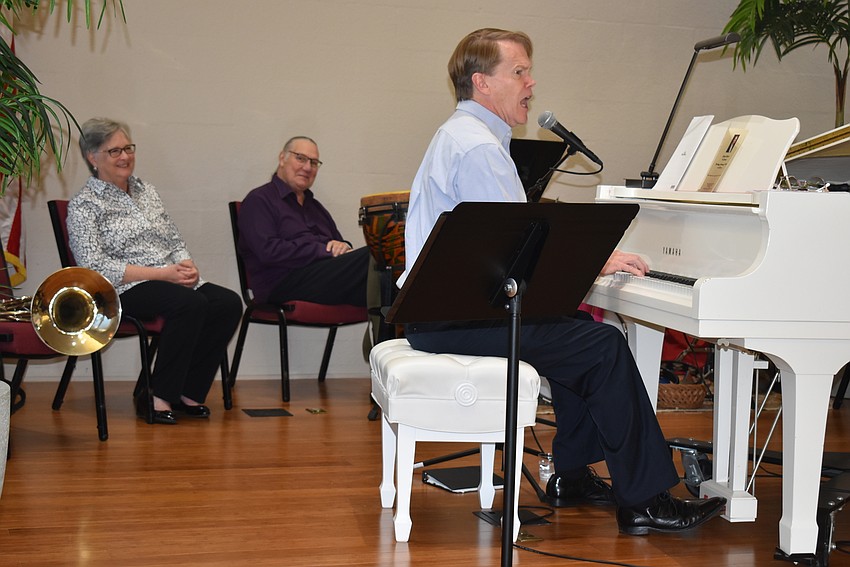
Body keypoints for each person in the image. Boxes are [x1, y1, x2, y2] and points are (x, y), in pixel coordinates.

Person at [401, 28, 726, 536]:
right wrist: (595, 260)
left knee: (576, 331)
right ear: (482, 83)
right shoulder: (479, 150)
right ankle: (644, 499)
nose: (531, 83)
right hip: (453, 316)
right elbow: (515, 254)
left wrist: (588, 261)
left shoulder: (465, 137)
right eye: (519, 72)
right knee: (603, 345)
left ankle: (572, 475)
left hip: (442, 310)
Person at [68, 118, 243, 425]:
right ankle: (158, 395)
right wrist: (162, 274)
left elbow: (172, 238)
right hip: (124, 288)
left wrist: (186, 266)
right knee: (189, 304)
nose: (125, 157)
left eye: (128, 148)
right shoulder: (84, 205)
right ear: (92, 158)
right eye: (114, 151)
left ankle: (190, 391)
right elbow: (93, 267)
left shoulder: (145, 190)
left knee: (227, 303)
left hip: (169, 279)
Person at [238, 137, 369, 307]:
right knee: (375, 257)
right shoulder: (260, 200)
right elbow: (269, 251)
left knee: (386, 273)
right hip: (282, 283)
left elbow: (338, 244)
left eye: (314, 163)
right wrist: (322, 250)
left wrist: (342, 246)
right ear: (282, 158)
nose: (307, 168)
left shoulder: (315, 207)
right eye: (300, 158)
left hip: (324, 278)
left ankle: (396, 331)